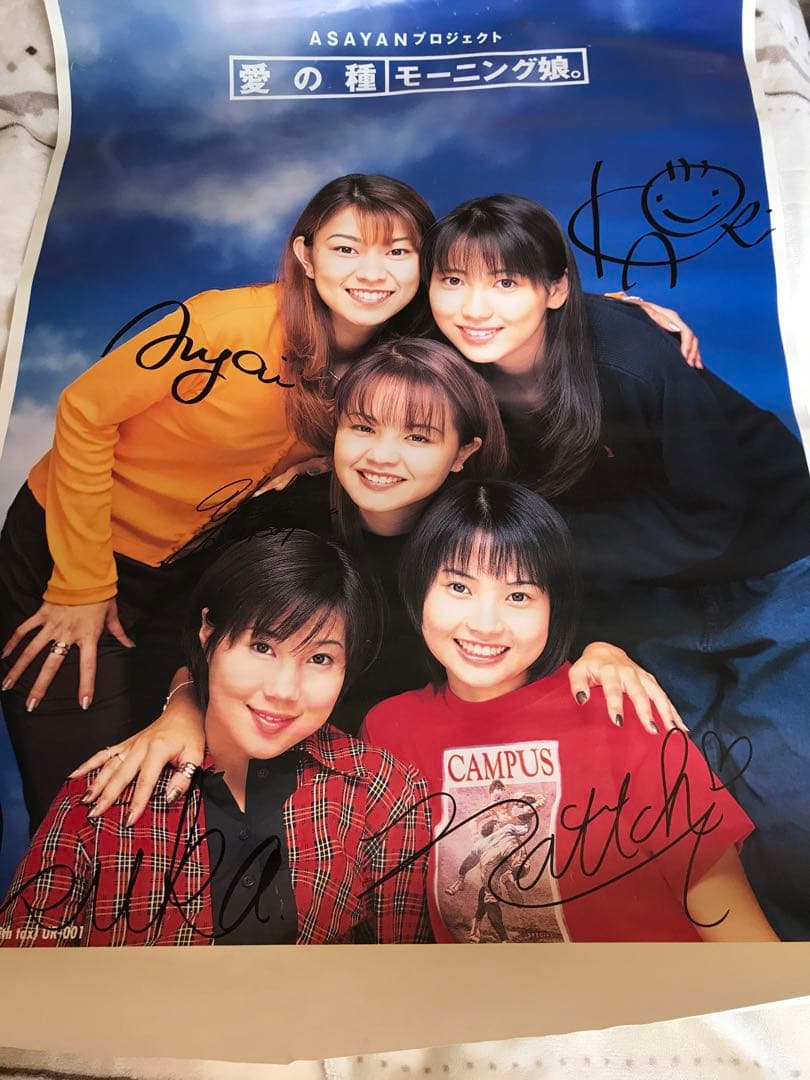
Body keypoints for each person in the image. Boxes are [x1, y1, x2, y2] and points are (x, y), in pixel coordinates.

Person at [0, 172, 696, 832]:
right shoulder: (221, 326)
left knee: (168, 781)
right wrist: (80, 584)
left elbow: (500, 308)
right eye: (344, 249)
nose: (372, 271)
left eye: (398, 253)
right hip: (75, 545)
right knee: (86, 785)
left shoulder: (399, 347)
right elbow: (84, 411)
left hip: (193, 557)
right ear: (305, 255)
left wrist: (603, 316)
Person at [71, 337, 683, 823]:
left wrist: (605, 648)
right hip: (288, 755)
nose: (382, 457)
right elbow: (192, 626)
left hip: (425, 775)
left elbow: (562, 600)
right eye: (362, 428)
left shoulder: (484, 529)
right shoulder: (284, 516)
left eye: (418, 437)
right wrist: (182, 707)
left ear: (464, 452)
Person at [420, 194, 810, 940]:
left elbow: (711, 512)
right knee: (686, 802)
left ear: (555, 289)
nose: (474, 307)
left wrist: (546, 543)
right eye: (453, 281)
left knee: (793, 803)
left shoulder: (629, 358)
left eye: (507, 282)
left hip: (770, 564)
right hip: (639, 592)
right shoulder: (446, 360)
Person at [362, 480, 779, 943]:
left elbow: (740, 936)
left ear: (554, 607)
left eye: (519, 596)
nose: (485, 624)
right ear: (419, 589)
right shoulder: (389, 732)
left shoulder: (617, 706)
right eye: (459, 586)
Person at [0, 529, 432, 946]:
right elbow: (24, 973)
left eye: (320, 658)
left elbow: (407, 978)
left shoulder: (382, 791)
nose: (284, 690)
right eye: (262, 647)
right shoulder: (106, 792)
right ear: (208, 633)